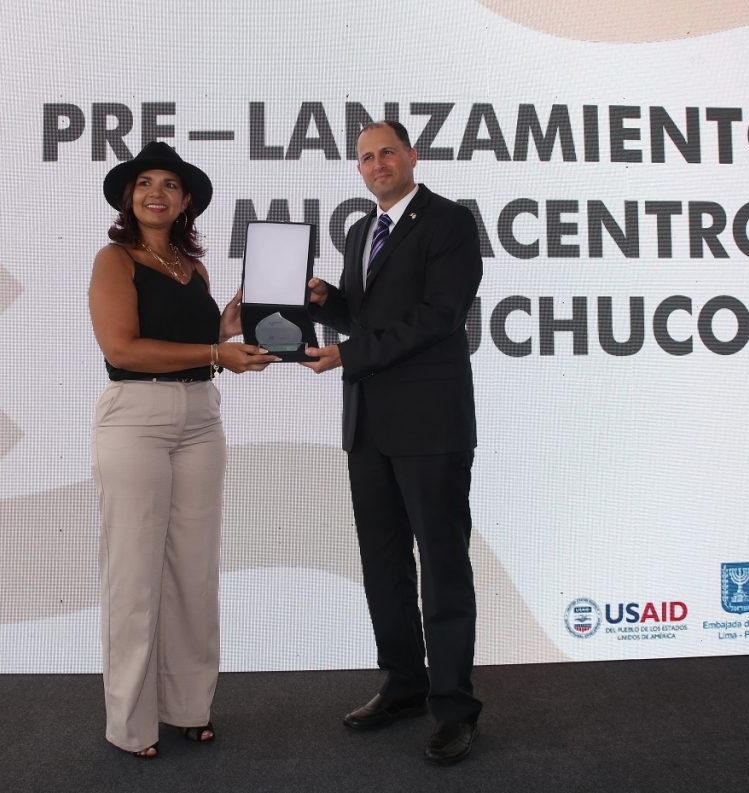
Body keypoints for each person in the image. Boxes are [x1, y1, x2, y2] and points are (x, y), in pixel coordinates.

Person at [303, 121, 484, 765]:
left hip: (431, 425)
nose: (376, 164)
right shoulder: (361, 231)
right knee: (383, 564)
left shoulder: (450, 222)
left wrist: (349, 355)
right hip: (369, 426)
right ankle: (404, 684)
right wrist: (326, 302)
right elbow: (366, 319)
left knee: (441, 565)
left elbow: (439, 317)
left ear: (412, 156)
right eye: (365, 157)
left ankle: (454, 707)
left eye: (387, 153)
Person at [89, 141, 277, 759]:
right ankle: (130, 724)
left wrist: (227, 328)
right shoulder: (115, 260)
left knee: (194, 571)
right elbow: (123, 349)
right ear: (129, 197)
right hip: (135, 419)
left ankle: (189, 707)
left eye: (170, 184)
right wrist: (217, 351)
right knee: (135, 576)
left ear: (186, 201)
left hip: (200, 417)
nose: (157, 193)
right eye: (145, 183)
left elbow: (194, 344)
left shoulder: (193, 268)